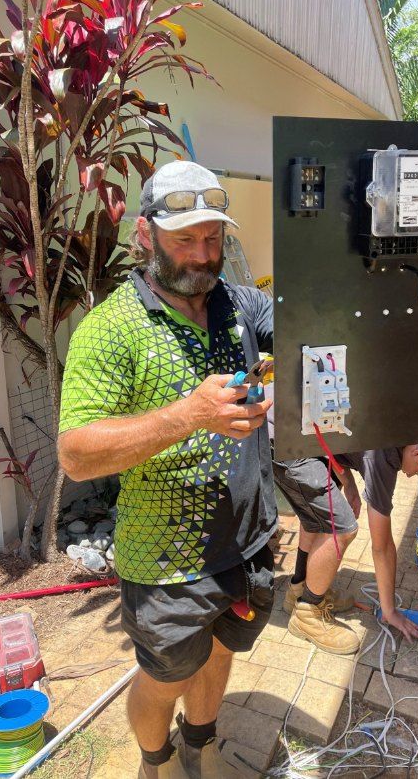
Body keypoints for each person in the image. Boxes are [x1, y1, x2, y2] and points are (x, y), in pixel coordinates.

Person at [58, 160, 275, 779]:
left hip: (248, 538)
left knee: (221, 656)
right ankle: (154, 764)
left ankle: (199, 751)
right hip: (166, 557)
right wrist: (186, 415)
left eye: (213, 238)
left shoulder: (236, 303)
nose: (203, 256)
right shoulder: (110, 330)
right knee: (164, 678)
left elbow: (298, 324)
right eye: (186, 240)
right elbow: (74, 453)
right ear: (147, 234)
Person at [273, 442, 418, 653]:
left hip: (299, 440)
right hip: (290, 446)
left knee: (321, 511)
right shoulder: (384, 459)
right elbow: (382, 546)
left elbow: (336, 440)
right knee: (342, 527)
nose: (412, 476)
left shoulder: (393, 434)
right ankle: (307, 613)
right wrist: (390, 611)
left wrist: (348, 482)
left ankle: (299, 590)